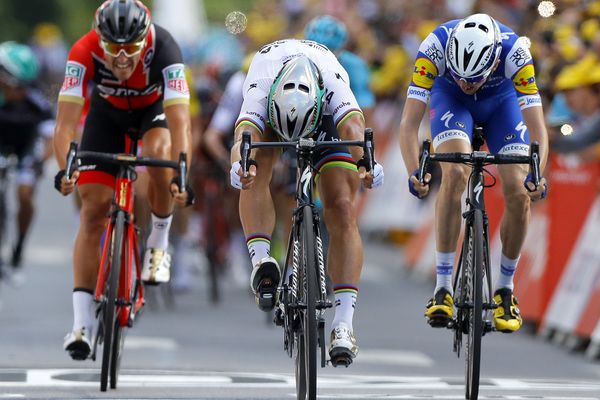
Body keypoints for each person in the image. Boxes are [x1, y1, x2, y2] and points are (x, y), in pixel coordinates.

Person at [229, 39, 384, 365]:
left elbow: (355, 130)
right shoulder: (260, 81)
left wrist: (367, 164)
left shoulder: (332, 82)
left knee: (341, 206)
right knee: (254, 168)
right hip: (276, 117)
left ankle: (343, 323)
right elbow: (242, 137)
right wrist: (239, 164)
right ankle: (261, 261)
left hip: (324, 118)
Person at [53, 0, 193, 360]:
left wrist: (181, 170)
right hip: (106, 117)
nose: (120, 58)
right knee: (92, 211)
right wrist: (66, 168)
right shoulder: (82, 49)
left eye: (130, 49)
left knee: (161, 156)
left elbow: (181, 122)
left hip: (154, 113)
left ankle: (159, 245)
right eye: (112, 48)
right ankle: (81, 324)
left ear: (144, 40)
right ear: (99, 39)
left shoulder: (165, 47)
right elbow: (66, 123)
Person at [398, 13, 549, 333]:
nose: (467, 84)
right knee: (454, 174)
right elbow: (409, 124)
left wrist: (537, 174)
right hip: (450, 102)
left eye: (474, 78)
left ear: (494, 62)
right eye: (461, 76)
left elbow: (537, 127)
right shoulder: (433, 47)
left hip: (501, 104)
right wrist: (416, 171)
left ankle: (505, 289)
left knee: (519, 190)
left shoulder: (516, 52)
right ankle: (443, 287)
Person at [0, 42, 54, 281]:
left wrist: (40, 161)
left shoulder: (37, 102)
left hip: (28, 149)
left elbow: (50, 138)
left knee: (24, 194)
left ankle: (19, 246)